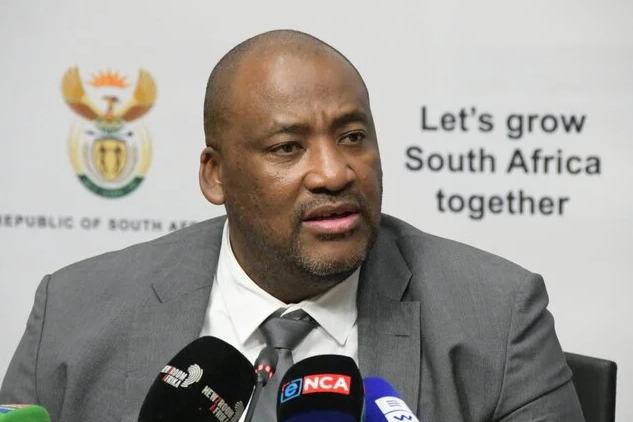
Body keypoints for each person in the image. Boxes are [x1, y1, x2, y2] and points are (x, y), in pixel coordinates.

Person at [0, 30, 584, 421]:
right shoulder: (73, 313)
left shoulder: (497, 318)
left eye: (353, 137)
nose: (334, 172)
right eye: (287, 147)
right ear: (216, 176)